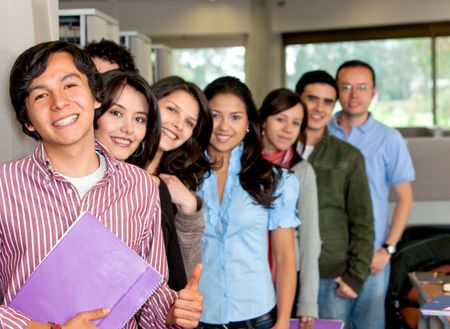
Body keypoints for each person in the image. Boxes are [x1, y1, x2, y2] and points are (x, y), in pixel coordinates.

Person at [0, 40, 201, 329]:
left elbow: (149, 294)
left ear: (96, 96)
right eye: (40, 95)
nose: (59, 102)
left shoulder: (140, 187)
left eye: (70, 85)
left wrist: (172, 312)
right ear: (27, 120)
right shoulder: (5, 186)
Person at [198, 76, 299, 329]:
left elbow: (286, 256)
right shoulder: (183, 175)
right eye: (216, 115)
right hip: (198, 315)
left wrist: (284, 321)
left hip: (256, 315)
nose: (224, 126)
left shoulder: (275, 179)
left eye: (235, 117)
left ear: (247, 124)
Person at [95, 72, 210, 290]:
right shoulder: (112, 163)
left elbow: (183, 273)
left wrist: (189, 206)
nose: (178, 124)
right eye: (172, 110)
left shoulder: (178, 183)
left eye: (189, 122)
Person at [329, 60, 415, 329]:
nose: (354, 95)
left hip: (372, 258)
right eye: (346, 87)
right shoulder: (320, 134)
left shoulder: (389, 139)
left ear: (373, 92)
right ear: (337, 91)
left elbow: (405, 197)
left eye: (362, 87)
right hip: (328, 259)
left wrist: (388, 249)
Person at [295, 70, 374, 329]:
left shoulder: (348, 157)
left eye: (328, 101)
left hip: (330, 275)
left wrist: (356, 276)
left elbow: (363, 220)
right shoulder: (277, 150)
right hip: (280, 273)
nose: (319, 108)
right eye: (312, 99)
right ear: (297, 100)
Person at [259, 88, 320, 329]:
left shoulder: (301, 171)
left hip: (283, 279)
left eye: (295, 123)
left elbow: (310, 239)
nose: (287, 129)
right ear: (263, 120)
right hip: (244, 272)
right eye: (280, 119)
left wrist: (308, 303)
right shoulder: (239, 162)